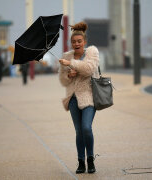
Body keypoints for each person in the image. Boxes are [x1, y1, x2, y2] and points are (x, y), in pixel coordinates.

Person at [58, 22, 99, 174]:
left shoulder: (92, 52)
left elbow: (89, 69)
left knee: (86, 128)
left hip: (89, 97)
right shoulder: (65, 57)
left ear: (84, 42)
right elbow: (62, 80)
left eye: (79, 41)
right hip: (73, 98)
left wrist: (72, 64)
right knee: (79, 132)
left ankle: (90, 159)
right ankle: (81, 162)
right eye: (74, 42)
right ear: (71, 43)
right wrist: (68, 74)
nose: (76, 44)